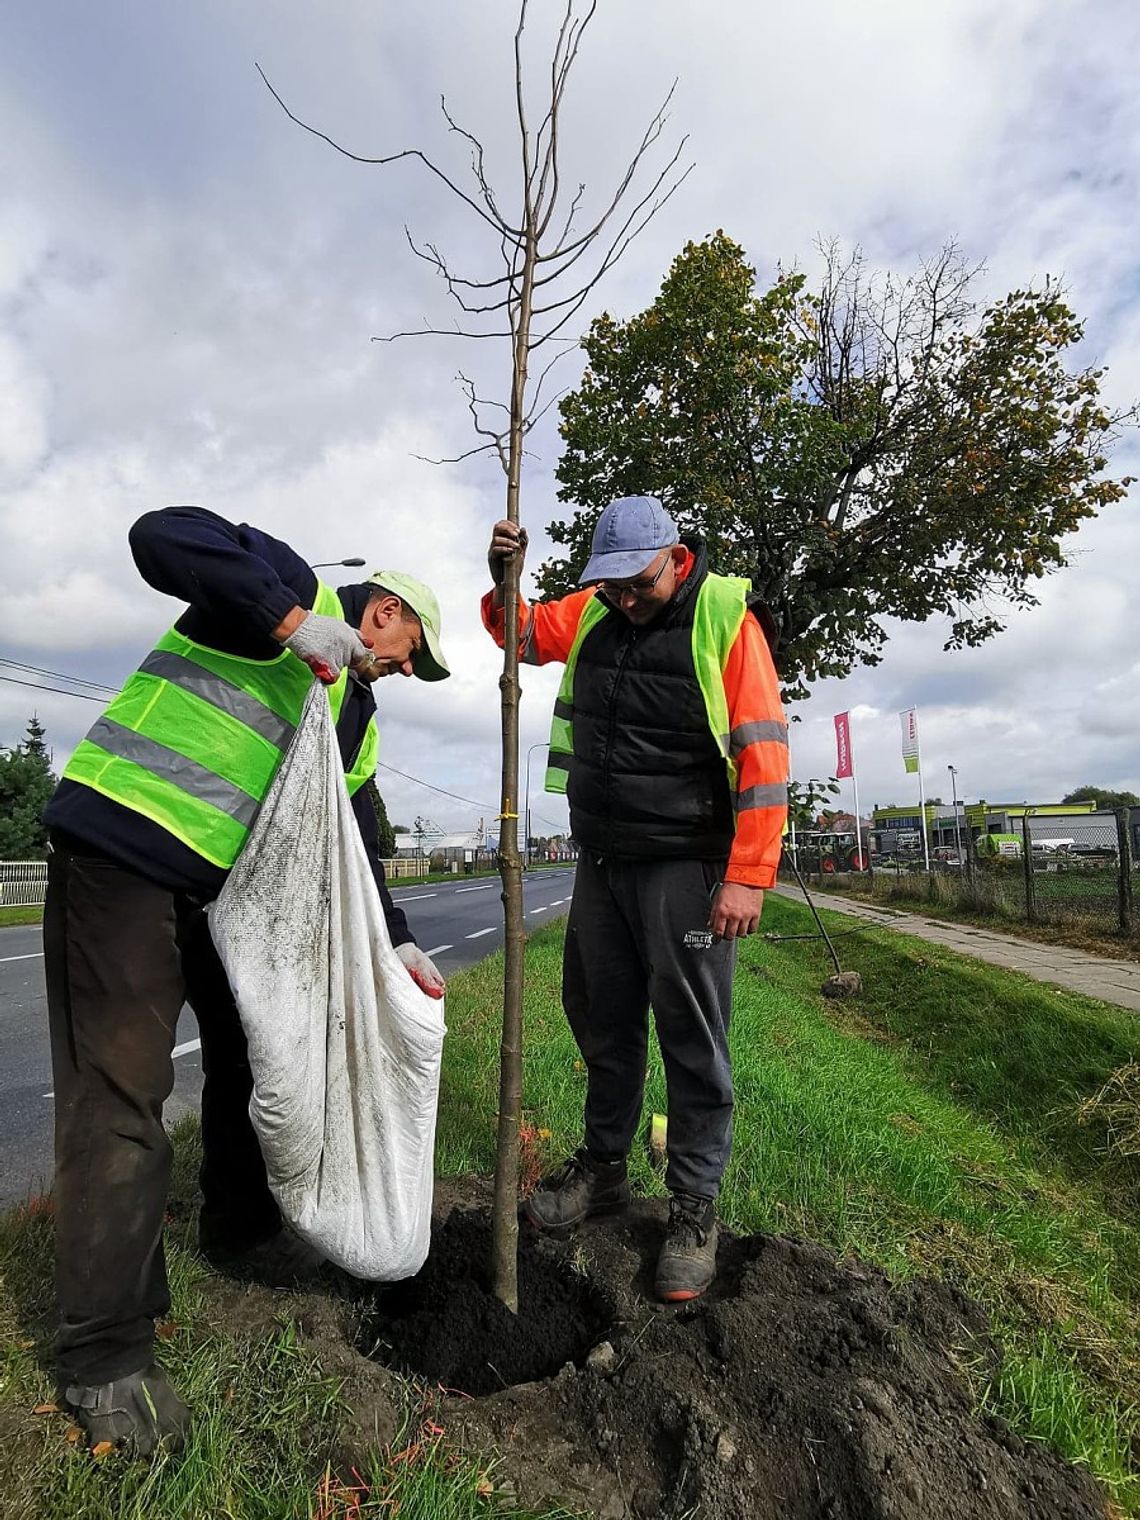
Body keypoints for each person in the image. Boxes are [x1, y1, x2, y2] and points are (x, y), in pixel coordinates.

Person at [41, 505, 451, 1455]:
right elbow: (159, 535)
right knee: (121, 1093)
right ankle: (106, 1355)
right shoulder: (285, 582)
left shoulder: (356, 715)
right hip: (125, 850)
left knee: (256, 1062)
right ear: (381, 610)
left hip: (226, 902)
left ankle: (240, 1229)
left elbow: (354, 847)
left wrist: (396, 943)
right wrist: (287, 621)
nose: (399, 670)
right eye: (407, 651)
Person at [483, 495, 788, 1303]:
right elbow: (518, 633)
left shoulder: (726, 620)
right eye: (609, 586)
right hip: (604, 860)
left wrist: (748, 875)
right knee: (601, 1018)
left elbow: (763, 756)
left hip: (687, 865)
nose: (622, 598)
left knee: (692, 1037)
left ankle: (693, 1208)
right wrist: (502, 578)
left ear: (673, 558)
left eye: (635, 584)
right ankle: (605, 1169)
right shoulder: (592, 611)